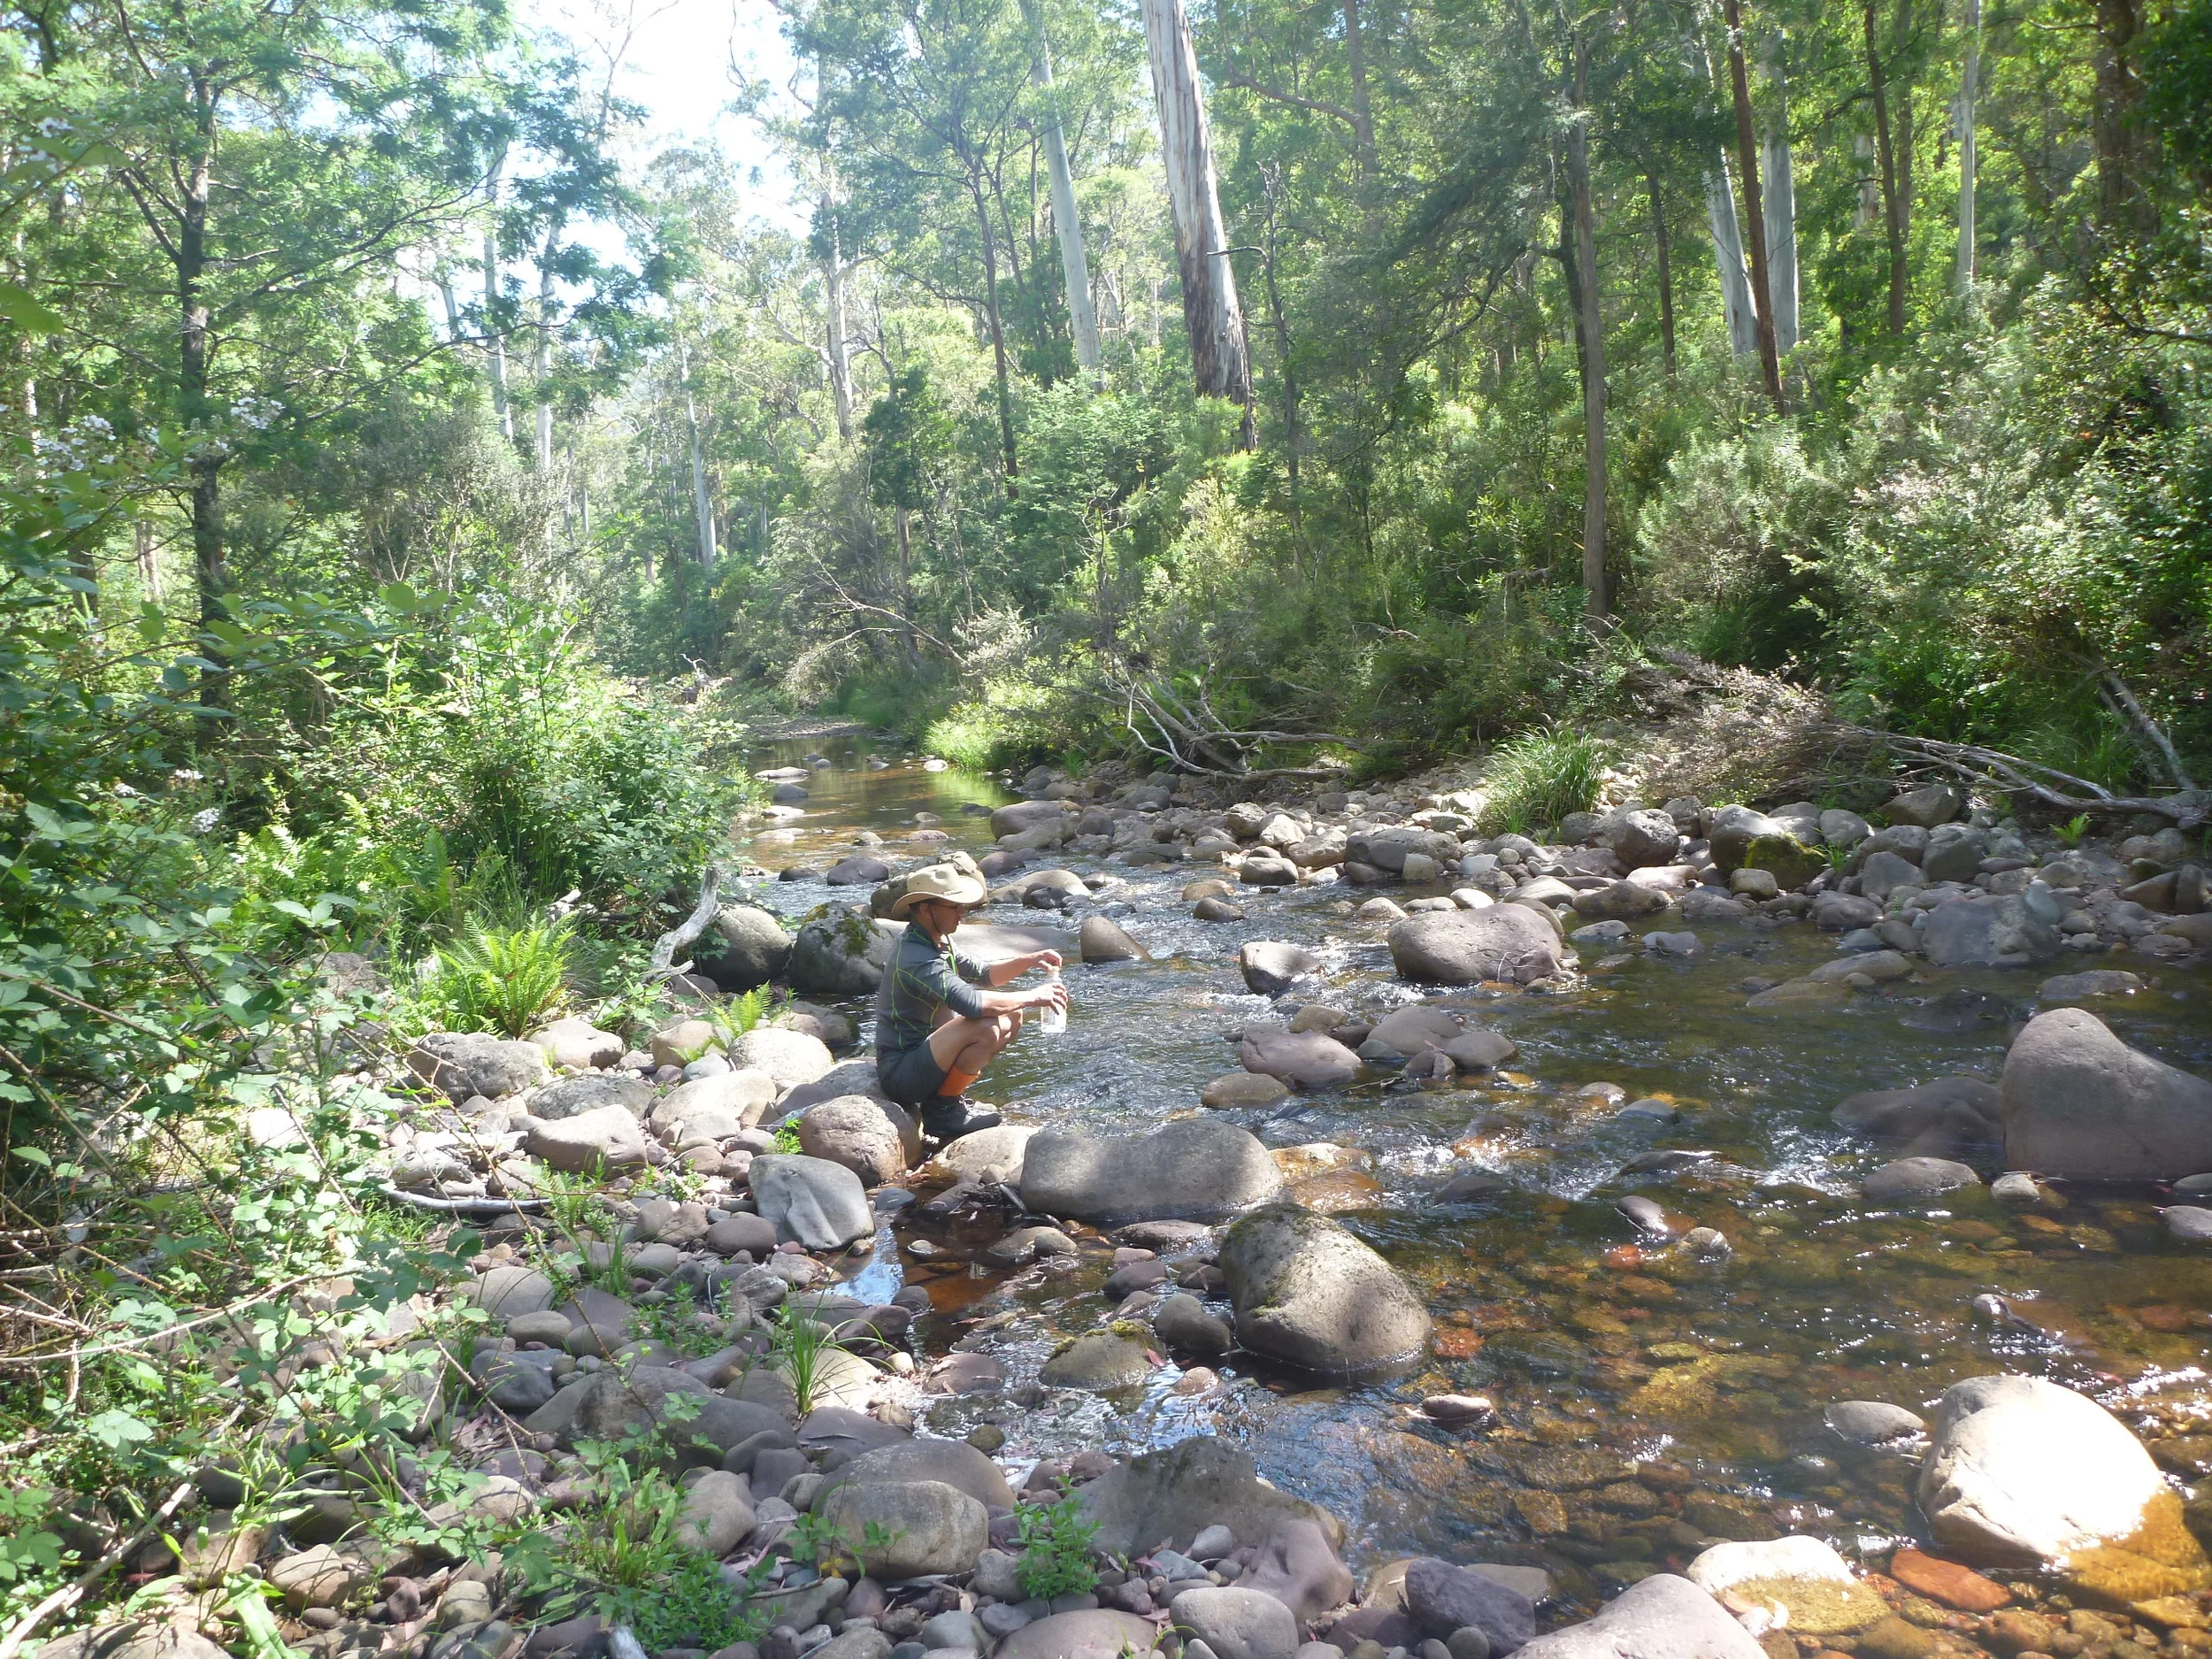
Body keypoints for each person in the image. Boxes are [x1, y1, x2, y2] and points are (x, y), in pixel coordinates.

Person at [875, 864, 1067, 1144]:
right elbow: (970, 1004)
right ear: (927, 910)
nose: (962, 912)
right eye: (953, 906)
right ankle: (942, 1112)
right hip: (902, 1073)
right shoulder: (915, 956)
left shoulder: (937, 941)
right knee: (984, 1027)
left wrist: (1029, 959)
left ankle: (949, 1099)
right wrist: (1035, 996)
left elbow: (985, 974)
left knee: (1011, 1016)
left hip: (927, 1056)